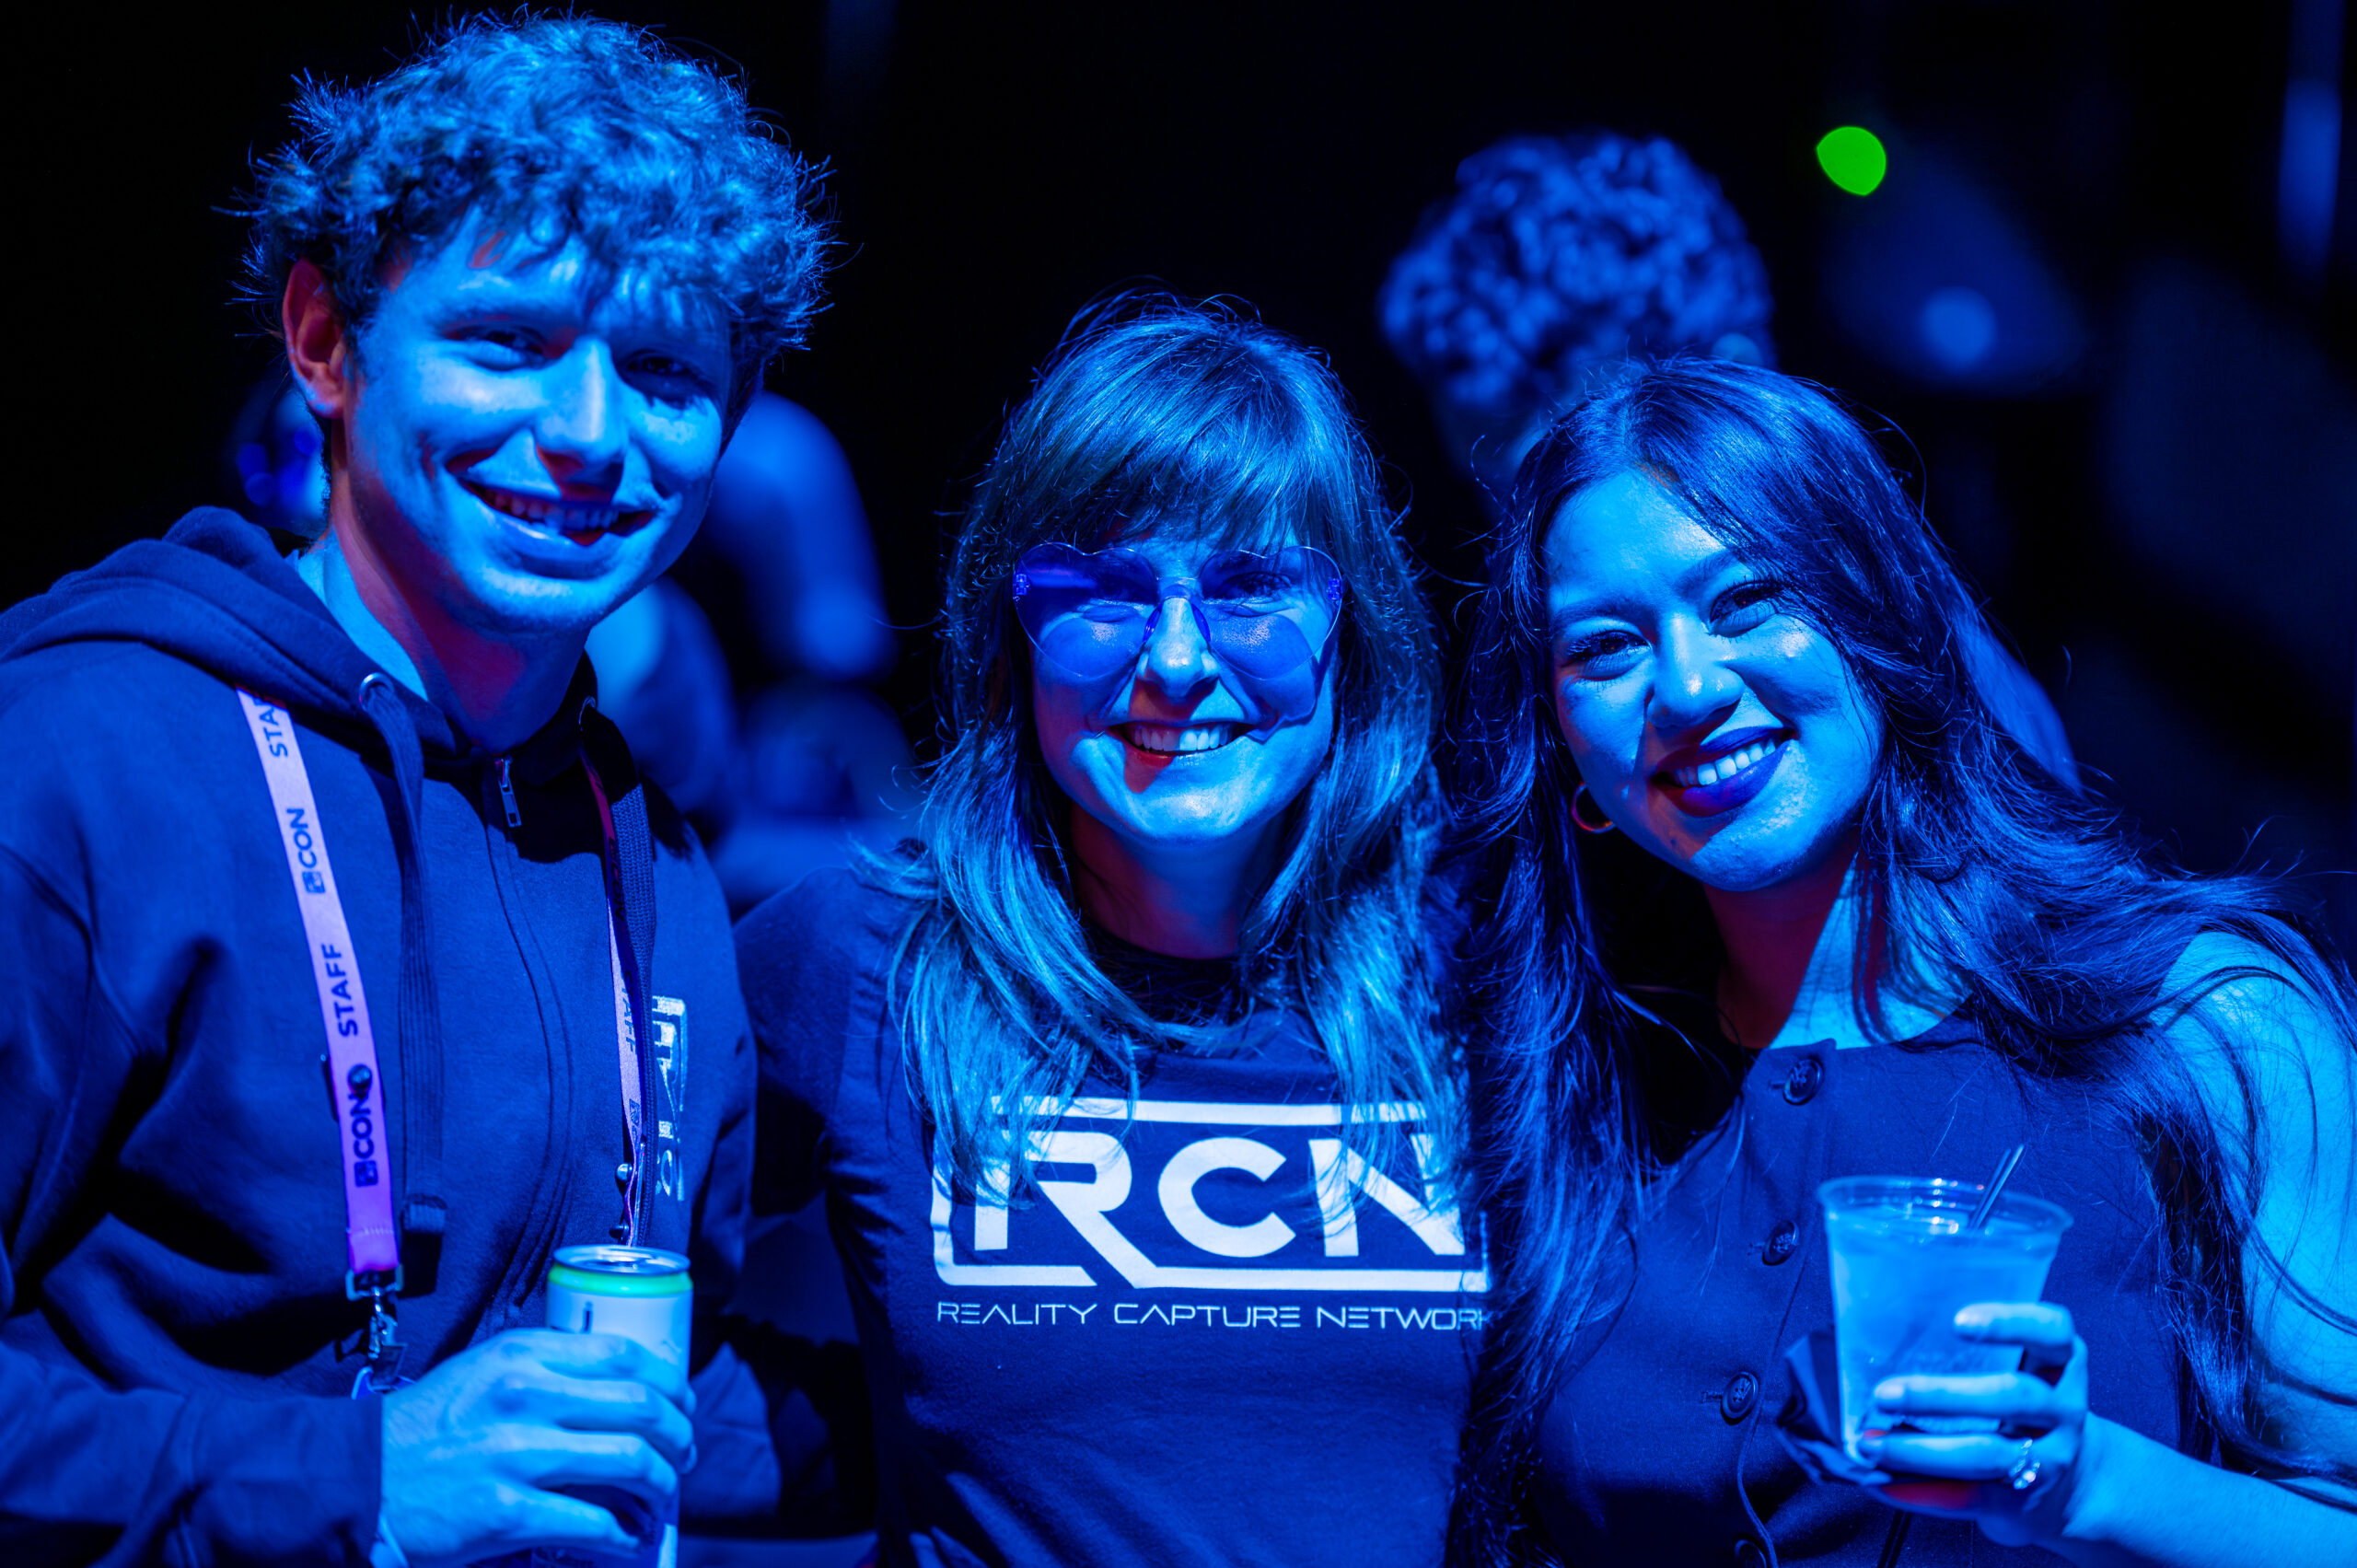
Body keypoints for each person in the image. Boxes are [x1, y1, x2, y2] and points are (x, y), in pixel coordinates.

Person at [0, 17, 829, 1563]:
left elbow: (604, 1407)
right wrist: (349, 1480)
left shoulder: (647, 855)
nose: (588, 436)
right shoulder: (68, 763)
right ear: (323, 341)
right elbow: (409, 1449)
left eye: (661, 371)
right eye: (509, 340)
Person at [1448, 358, 2356, 1565]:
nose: (1687, 685)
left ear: (1877, 615)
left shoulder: (2198, 1018)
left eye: (1747, 599)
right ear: (1567, 751)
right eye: (1606, 648)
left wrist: (2086, 1480)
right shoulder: (1558, 1096)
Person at [736, 296, 1476, 1564]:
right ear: (1010, 630)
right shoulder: (867, 955)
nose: (1176, 660)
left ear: (1350, 624)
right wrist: (880, 1443)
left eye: (1250, 587)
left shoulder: (1482, 969)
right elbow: (575, 1266)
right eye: (1100, 591)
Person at [1380, 130, 2077, 788]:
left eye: (1569, 482)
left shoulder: (1925, 700)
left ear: (1737, 385)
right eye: (1499, 504)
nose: (1530, 554)